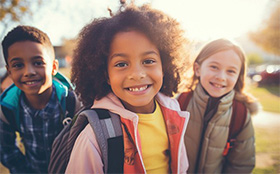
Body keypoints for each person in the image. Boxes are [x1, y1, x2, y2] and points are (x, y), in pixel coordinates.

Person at [66, 4, 190, 174]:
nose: (137, 74)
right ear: (106, 75)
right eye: (121, 64)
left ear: (165, 65)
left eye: (148, 61)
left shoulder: (173, 111)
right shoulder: (95, 135)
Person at [0, 25, 82, 173]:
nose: (29, 72)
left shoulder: (73, 102)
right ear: (9, 72)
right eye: (18, 65)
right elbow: (6, 149)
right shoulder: (6, 108)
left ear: (54, 67)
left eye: (38, 63)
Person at [177, 38, 260, 173]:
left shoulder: (240, 115)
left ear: (238, 76)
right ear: (197, 69)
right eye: (214, 67)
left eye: (231, 71)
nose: (221, 77)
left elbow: (241, 165)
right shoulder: (179, 104)